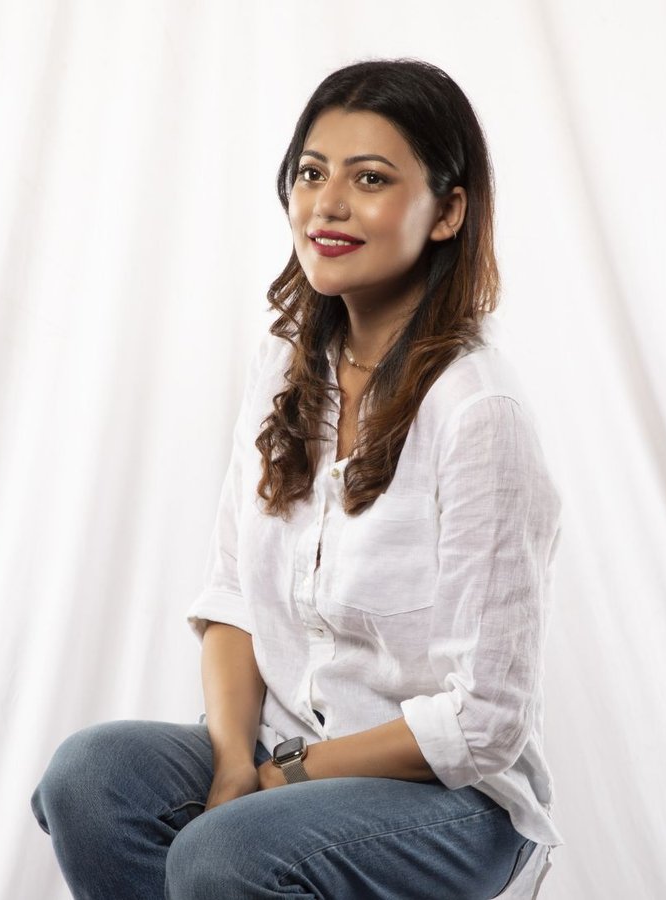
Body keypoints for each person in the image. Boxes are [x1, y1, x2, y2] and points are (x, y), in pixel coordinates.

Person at [31, 58, 563, 899]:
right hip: (278, 747)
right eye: (312, 173)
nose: (328, 203)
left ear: (447, 212)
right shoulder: (284, 365)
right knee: (91, 778)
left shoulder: (476, 412)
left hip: (450, 800)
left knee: (226, 856)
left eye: (371, 178)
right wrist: (231, 765)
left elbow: (485, 721)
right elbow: (234, 598)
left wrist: (285, 775)